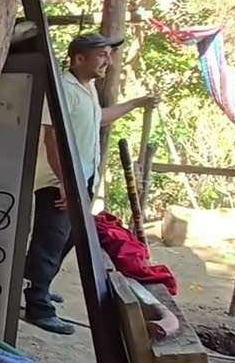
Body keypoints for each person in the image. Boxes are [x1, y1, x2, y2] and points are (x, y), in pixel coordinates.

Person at [23, 33, 157, 335]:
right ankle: (37, 305)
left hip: (80, 178)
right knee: (51, 240)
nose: (107, 61)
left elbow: (99, 118)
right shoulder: (61, 88)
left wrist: (135, 103)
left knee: (69, 237)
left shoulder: (88, 89)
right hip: (57, 182)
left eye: (108, 55)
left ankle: (39, 285)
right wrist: (65, 183)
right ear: (79, 58)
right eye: (101, 55)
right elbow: (51, 138)